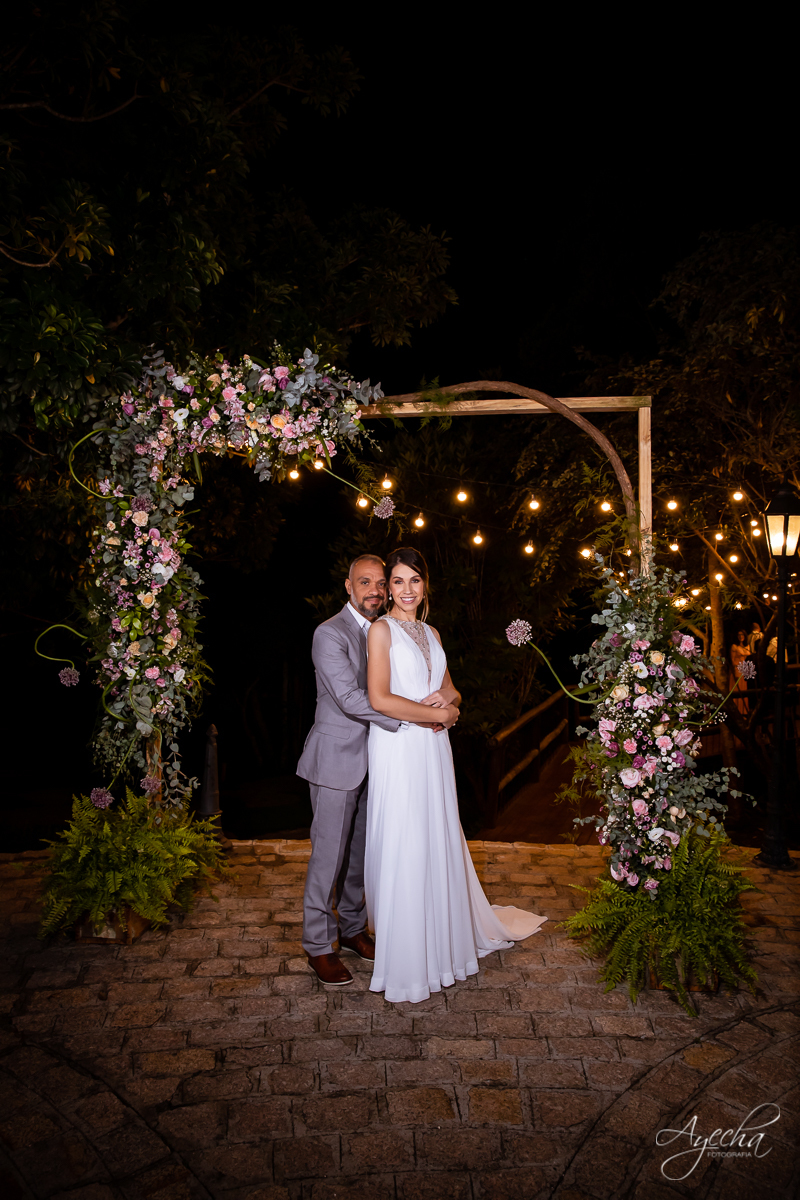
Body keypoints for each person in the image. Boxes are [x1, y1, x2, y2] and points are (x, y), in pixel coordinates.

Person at [365, 546, 546, 1004]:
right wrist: (437, 716)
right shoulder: (380, 631)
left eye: (414, 580)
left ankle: (442, 941)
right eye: (398, 581)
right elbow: (380, 699)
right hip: (400, 747)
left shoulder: (432, 632)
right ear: (389, 588)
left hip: (433, 747)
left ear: (425, 585)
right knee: (408, 838)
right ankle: (409, 957)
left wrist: (451, 706)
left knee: (436, 834)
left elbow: (450, 689)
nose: (407, 589)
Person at [297, 554, 402, 986]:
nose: (374, 590)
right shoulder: (330, 633)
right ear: (348, 586)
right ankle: (319, 946)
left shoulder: (387, 630)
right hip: (336, 760)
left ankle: (354, 928)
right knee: (329, 858)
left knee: (359, 856)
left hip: (378, 760)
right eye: (365, 582)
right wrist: (411, 719)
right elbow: (349, 699)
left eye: (380, 583)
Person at [729, 629, 751, 714]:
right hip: (737, 670)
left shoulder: (747, 646)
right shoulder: (735, 646)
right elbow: (733, 660)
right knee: (737, 690)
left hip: (745, 670)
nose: (741, 637)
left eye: (742, 635)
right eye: (739, 635)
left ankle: (744, 710)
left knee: (744, 690)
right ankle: (737, 710)